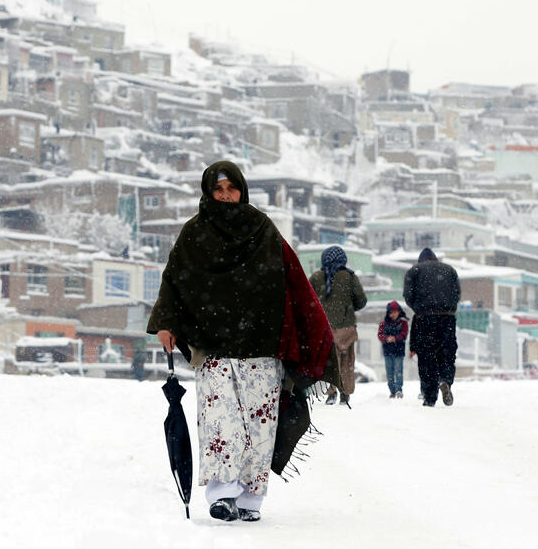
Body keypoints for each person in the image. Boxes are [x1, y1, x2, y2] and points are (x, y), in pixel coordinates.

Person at [147, 160, 339, 523]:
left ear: (241, 190)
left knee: (258, 423)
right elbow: (174, 279)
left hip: (262, 344)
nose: (225, 196)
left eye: (230, 189)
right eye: (218, 190)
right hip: (213, 344)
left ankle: (251, 498)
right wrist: (165, 322)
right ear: (208, 192)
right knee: (220, 421)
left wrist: (312, 331)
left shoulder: (262, 229)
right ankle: (221, 494)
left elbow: (294, 279)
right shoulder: (195, 233)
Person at [403, 247, 460, 407]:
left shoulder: (414, 271)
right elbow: (457, 294)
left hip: (425, 317)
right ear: (435, 258)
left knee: (427, 356)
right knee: (447, 352)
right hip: (447, 317)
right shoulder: (450, 270)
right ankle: (446, 380)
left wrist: (419, 309)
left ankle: (429, 397)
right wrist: (448, 309)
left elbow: (408, 295)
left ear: (421, 260)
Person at [310, 245, 367, 405]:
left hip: (324, 328)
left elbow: (307, 301)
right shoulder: (349, 276)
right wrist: (348, 307)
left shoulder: (316, 277)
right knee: (347, 362)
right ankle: (345, 393)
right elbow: (361, 300)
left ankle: (330, 392)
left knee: (328, 362)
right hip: (346, 327)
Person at [378, 300, 409, 398]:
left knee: (398, 371)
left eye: (395, 312)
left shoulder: (403, 323)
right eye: (391, 312)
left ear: (399, 311)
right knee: (389, 373)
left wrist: (395, 338)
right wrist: (386, 339)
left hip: (399, 352)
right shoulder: (383, 324)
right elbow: (380, 335)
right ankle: (392, 391)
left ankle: (398, 390)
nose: (393, 314)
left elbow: (404, 334)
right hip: (387, 352)